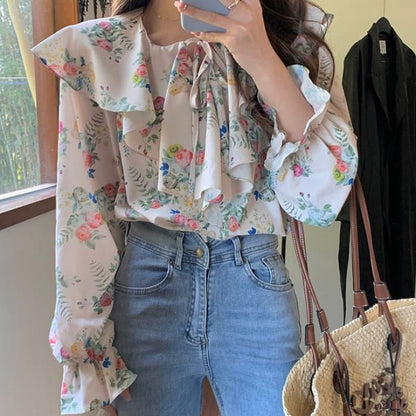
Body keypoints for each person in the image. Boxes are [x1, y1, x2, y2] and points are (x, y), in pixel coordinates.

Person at [32, 0, 358, 415]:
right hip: (146, 284)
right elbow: (85, 208)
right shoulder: (100, 49)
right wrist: (87, 349)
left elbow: (323, 195)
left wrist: (260, 55)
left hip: (254, 285)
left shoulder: (290, 35)